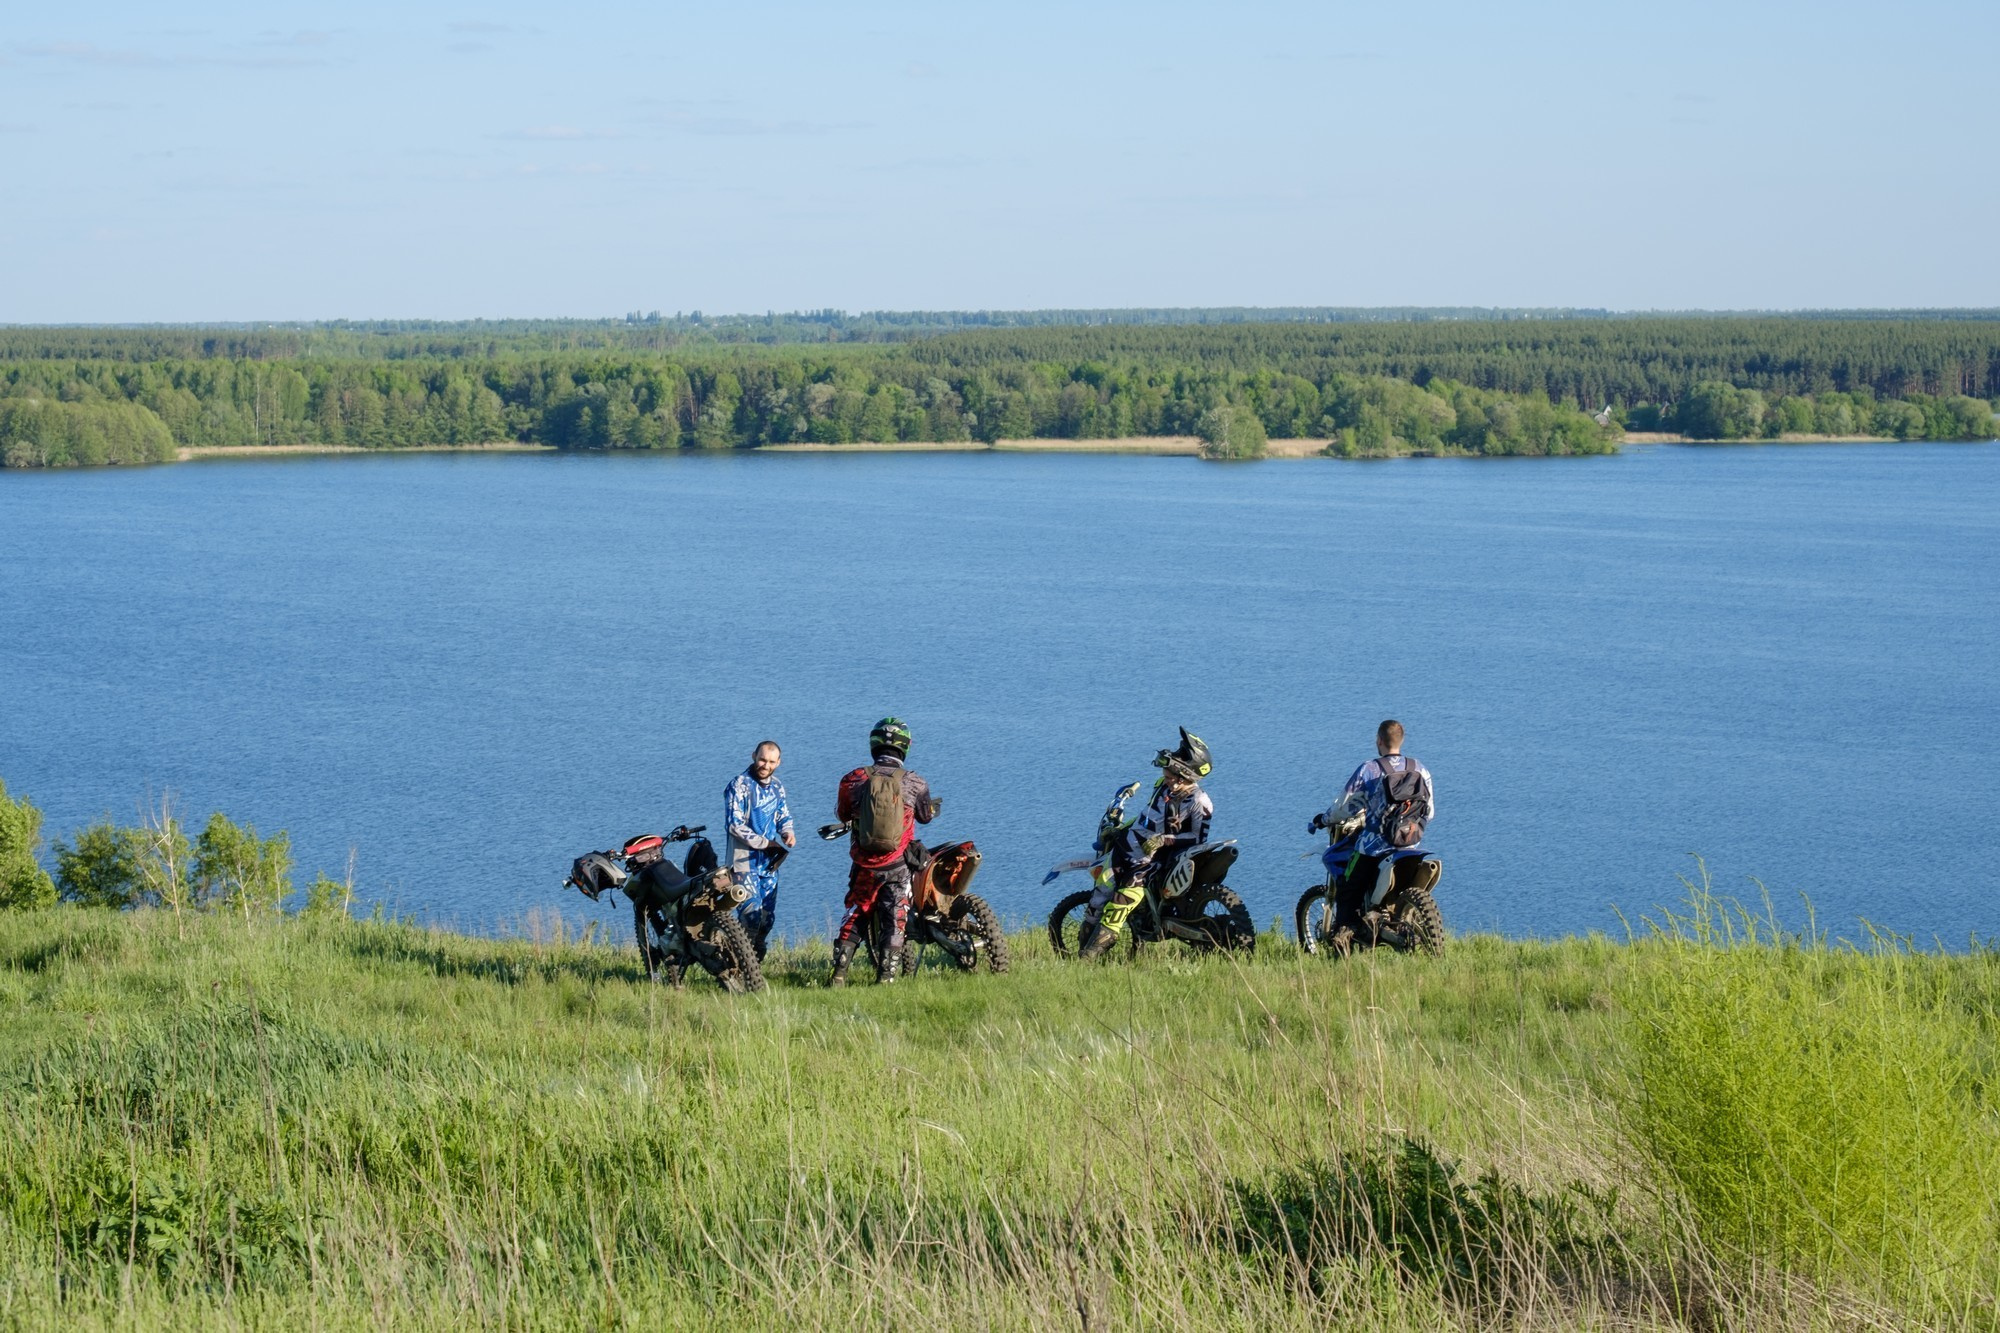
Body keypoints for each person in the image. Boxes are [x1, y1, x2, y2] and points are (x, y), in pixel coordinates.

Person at [1079, 727, 1214, 960]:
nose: (1166, 779)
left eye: (1171, 777)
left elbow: (1198, 839)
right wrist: (1119, 829)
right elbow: (1146, 817)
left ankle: (1087, 960)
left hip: (1148, 861)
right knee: (1098, 897)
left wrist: (1164, 840)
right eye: (1166, 775)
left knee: (1120, 904)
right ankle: (1076, 953)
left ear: (1185, 777)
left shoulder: (1199, 801)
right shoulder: (1162, 785)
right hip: (1124, 847)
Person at [831, 717, 940, 986]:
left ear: (874, 745)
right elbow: (925, 817)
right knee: (895, 917)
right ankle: (886, 977)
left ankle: (839, 974)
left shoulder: (853, 779)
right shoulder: (915, 782)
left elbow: (843, 814)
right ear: (905, 747)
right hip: (897, 864)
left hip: (864, 863)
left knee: (857, 911)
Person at [1313, 719, 1435, 934]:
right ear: (1402, 740)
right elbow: (1429, 811)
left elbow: (1345, 806)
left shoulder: (1370, 769)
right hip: (1409, 845)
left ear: (1379, 741)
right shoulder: (1419, 768)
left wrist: (1324, 819)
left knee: (1347, 887)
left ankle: (1345, 934)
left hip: (1373, 848)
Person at [724, 740, 796, 959]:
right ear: (753, 756)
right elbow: (734, 825)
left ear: (778, 762)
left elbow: (783, 815)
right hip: (742, 861)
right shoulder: (739, 785)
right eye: (762, 759)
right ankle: (737, 959)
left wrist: (787, 832)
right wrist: (766, 843)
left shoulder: (777, 786)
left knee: (767, 919)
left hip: (768, 863)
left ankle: (755, 954)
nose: (766, 765)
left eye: (771, 762)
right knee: (751, 915)